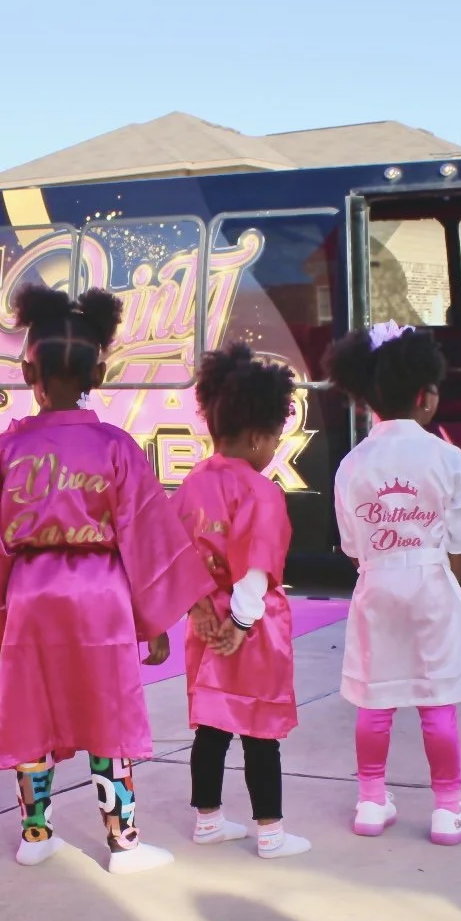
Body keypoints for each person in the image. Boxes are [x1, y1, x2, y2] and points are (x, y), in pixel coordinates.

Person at [0, 285, 216, 874]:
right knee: (109, 711)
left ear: (29, 372)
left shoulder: (5, 451)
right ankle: (122, 842)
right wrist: (155, 621)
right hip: (102, 596)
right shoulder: (117, 448)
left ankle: (36, 833)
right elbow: (146, 539)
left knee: (29, 711)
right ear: (99, 369)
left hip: (30, 594)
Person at [326, 321, 461, 845]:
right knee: (435, 698)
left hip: (376, 584)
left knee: (375, 699)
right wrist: (447, 577)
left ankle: (372, 803)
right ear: (425, 395)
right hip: (431, 582)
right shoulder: (446, 457)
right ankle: (448, 809)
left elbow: (353, 545)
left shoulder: (352, 464)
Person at [173, 344, 310, 859]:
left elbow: (176, 556)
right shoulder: (260, 491)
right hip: (250, 631)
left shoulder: (191, 485)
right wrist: (240, 623)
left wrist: (200, 611)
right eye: (275, 438)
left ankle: (207, 818)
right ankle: (270, 831)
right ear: (257, 437)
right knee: (259, 730)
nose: (274, 448)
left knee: (211, 725)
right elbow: (257, 566)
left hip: (204, 627)